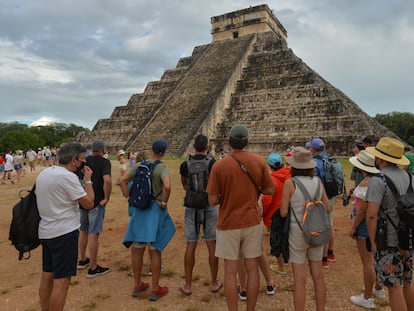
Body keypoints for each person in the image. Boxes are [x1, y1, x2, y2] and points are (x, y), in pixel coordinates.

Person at [206, 124, 274, 311]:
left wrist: (226, 196)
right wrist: (255, 190)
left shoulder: (219, 165)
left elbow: (212, 200)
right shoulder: (259, 162)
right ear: (247, 142)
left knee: (230, 271)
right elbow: (270, 189)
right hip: (251, 221)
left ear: (229, 142)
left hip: (228, 222)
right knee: (252, 269)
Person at [36, 142, 95, 311]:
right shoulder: (68, 177)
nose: (83, 163)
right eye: (82, 159)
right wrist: (88, 181)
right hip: (64, 232)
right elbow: (89, 203)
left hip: (46, 230)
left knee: (47, 276)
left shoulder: (45, 173)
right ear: (74, 160)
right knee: (62, 281)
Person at [121, 139, 175, 301]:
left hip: (139, 211)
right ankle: (155, 288)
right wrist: (164, 201)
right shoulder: (162, 167)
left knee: (137, 248)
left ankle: (137, 284)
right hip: (154, 210)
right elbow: (167, 186)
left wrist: (128, 196)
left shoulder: (140, 165)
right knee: (154, 249)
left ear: (152, 150)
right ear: (164, 152)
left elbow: (123, 180)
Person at [365, 137, 414, 311]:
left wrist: (372, 241)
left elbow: (371, 215)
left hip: (388, 240)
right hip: (407, 238)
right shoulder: (410, 178)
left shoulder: (378, 181)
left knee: (394, 286)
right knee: (407, 281)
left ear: (382, 159)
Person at [280, 146, 330, 311]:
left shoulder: (290, 183)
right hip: (317, 231)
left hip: (298, 233)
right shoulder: (318, 182)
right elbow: (327, 208)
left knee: (299, 280)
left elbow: (283, 212)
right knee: (318, 277)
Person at [179, 134, 221, 295]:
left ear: (194, 146)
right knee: (211, 244)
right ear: (207, 147)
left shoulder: (185, 164)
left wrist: (190, 192)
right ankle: (214, 282)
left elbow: (184, 182)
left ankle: (188, 285)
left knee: (191, 244)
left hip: (191, 206)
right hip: (209, 205)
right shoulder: (212, 163)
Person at [348, 150, 385, 309]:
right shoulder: (380, 180)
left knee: (367, 262)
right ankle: (378, 288)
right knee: (376, 259)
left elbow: (362, 210)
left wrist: (353, 227)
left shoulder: (366, 183)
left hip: (364, 225)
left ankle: (367, 297)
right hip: (378, 224)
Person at [78, 140, 112, 278]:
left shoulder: (84, 161)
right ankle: (93, 267)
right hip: (96, 202)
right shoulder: (104, 162)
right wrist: (106, 197)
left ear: (91, 150)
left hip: (83, 200)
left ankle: (82, 260)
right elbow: (107, 180)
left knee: (84, 230)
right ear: (103, 150)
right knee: (93, 233)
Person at [306, 137, 339, 268]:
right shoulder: (330, 160)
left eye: (310, 148)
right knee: (329, 224)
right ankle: (330, 253)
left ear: (313, 149)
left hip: (320, 197)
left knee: (320, 227)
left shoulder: (314, 163)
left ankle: (323, 258)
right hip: (331, 197)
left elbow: (314, 183)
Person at [261, 152, 291, 275]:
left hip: (275, 214)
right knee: (287, 237)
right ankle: (287, 259)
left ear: (270, 165)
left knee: (276, 239)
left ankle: (281, 266)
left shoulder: (272, 180)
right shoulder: (290, 176)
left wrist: (263, 214)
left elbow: (267, 200)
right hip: (289, 211)